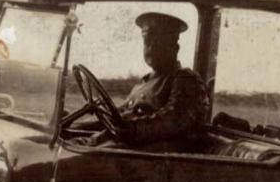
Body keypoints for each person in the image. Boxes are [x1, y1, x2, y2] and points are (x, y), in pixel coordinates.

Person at [82, 12, 210, 148]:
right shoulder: (144, 83)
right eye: (147, 41)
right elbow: (118, 115)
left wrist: (132, 129)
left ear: (175, 48)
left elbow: (175, 119)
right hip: (128, 149)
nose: (152, 47)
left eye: (159, 42)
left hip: (154, 159)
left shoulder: (186, 79)